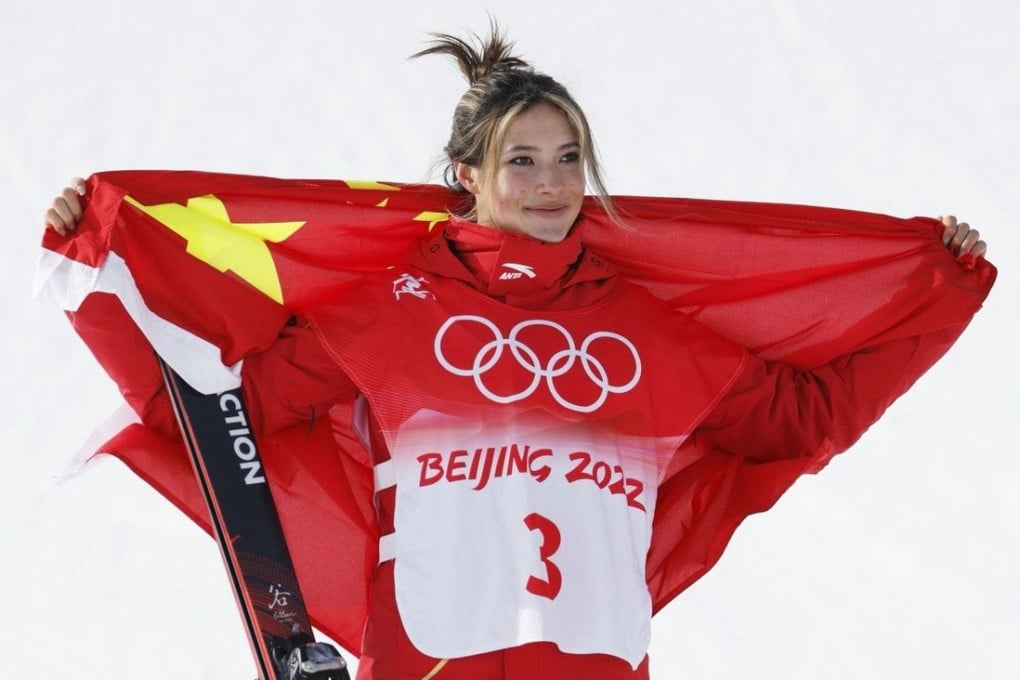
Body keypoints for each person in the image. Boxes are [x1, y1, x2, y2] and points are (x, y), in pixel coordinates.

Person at [45, 25, 989, 680]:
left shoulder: (646, 328)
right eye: (521, 160)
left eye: (569, 156)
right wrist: (101, 281)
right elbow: (221, 423)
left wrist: (936, 300)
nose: (551, 183)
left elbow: (804, 419)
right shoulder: (390, 311)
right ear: (467, 177)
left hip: (588, 655)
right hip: (425, 651)